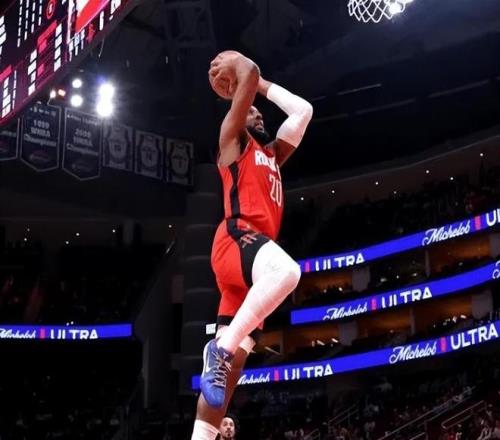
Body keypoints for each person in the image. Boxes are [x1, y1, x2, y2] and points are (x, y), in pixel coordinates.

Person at [190, 50, 313, 440]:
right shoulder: (233, 142)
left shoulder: (272, 155)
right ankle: (220, 349)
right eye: (252, 111)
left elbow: (303, 111)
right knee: (288, 272)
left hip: (251, 265)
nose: (259, 114)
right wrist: (245, 72)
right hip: (235, 240)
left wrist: (260, 86)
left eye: (261, 113)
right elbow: (250, 69)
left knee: (226, 381)